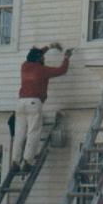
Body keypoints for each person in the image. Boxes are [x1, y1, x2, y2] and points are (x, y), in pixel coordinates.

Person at [13, 43, 72, 172]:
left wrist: (49, 47)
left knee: (20, 133)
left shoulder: (25, 66)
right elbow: (62, 70)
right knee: (33, 132)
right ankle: (27, 161)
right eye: (42, 58)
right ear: (39, 59)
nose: (44, 59)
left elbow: (36, 54)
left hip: (20, 103)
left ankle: (16, 161)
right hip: (34, 103)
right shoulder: (42, 70)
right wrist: (66, 57)